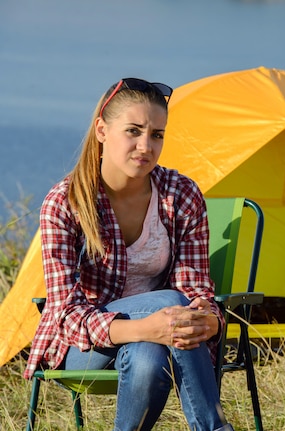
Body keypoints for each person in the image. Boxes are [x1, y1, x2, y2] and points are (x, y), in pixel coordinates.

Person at [24, 78, 234, 431]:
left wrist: (210, 321)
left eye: (156, 135)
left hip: (165, 336)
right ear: (102, 130)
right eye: (133, 131)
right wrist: (143, 326)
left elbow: (195, 290)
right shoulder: (65, 203)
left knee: (149, 355)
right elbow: (67, 315)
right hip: (83, 347)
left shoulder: (180, 194)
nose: (145, 146)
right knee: (170, 301)